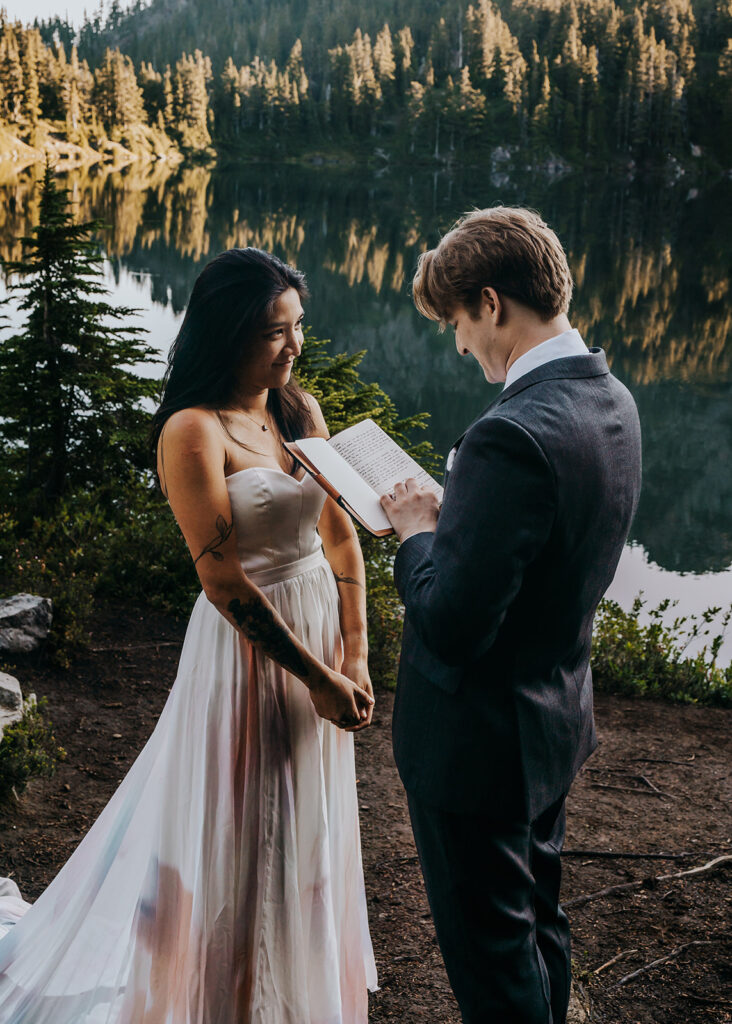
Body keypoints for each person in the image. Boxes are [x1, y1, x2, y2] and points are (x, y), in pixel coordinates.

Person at [0, 247, 378, 1022]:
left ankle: (296, 999)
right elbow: (222, 579)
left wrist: (357, 652)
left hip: (320, 640)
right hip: (247, 656)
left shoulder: (300, 414)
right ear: (229, 332)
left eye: (298, 326)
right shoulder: (191, 430)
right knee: (242, 834)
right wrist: (317, 676)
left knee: (307, 830)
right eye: (276, 332)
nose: (294, 346)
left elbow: (341, 534)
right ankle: (224, 1002)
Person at [380, 207, 641, 1024]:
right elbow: (545, 545)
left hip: (477, 747)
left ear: (490, 304)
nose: (460, 345)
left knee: (493, 964)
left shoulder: (509, 434)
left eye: (457, 322)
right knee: (539, 926)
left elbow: (452, 622)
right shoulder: (611, 398)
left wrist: (420, 532)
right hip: (551, 721)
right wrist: (468, 517)